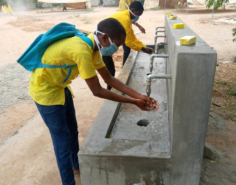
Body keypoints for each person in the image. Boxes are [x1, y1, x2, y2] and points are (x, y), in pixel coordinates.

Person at [28, 18, 159, 185]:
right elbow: (97, 91)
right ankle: (69, 182)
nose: (116, 49)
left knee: (72, 132)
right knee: (62, 142)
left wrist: (139, 95)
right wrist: (133, 102)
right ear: (104, 37)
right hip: (45, 93)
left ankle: (76, 168)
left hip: (61, 89)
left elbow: (109, 79)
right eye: (116, 45)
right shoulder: (82, 50)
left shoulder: (93, 47)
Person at [103, 1, 153, 90]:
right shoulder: (125, 19)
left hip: (108, 41)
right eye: (138, 15)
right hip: (103, 43)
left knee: (110, 70)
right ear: (133, 10)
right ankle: (110, 92)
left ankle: (110, 89)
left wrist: (144, 46)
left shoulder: (127, 17)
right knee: (110, 70)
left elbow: (132, 37)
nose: (137, 18)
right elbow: (128, 42)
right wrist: (143, 49)